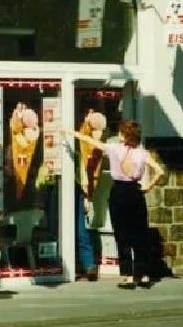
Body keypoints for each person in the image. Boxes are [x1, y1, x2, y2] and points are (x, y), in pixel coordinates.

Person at [64, 118, 164, 289]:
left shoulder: (115, 148)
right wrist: (147, 187)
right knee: (140, 233)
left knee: (122, 234)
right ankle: (144, 274)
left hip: (118, 191)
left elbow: (90, 141)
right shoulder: (142, 153)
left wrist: (71, 132)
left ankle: (127, 276)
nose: (118, 135)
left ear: (126, 135)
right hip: (135, 192)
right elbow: (160, 171)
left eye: (121, 132)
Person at [75, 110, 107, 282]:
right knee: (76, 228)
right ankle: (84, 264)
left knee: (81, 228)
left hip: (80, 187)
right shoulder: (82, 140)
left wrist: (88, 195)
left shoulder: (94, 146)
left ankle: (88, 265)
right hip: (74, 185)